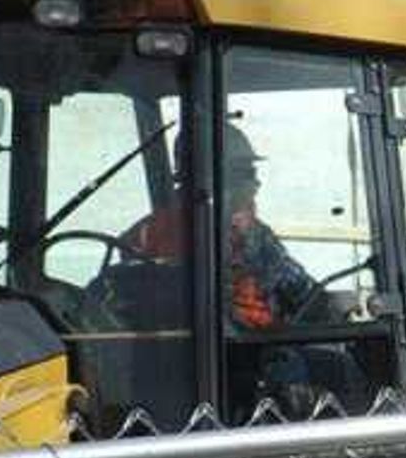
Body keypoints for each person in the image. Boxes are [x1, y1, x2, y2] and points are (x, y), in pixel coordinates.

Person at [121, 122, 335, 331]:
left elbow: (301, 290)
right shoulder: (231, 234)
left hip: (220, 345)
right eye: (247, 174)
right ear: (211, 178)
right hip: (240, 352)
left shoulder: (142, 233)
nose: (256, 184)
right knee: (336, 364)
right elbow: (301, 291)